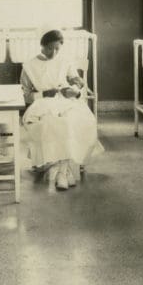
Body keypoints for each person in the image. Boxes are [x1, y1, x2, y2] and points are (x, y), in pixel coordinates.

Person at [20, 29, 103, 191]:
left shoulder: (64, 61)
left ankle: (62, 172)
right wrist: (45, 93)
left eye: (57, 48)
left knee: (74, 120)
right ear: (42, 46)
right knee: (53, 122)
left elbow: (77, 80)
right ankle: (64, 173)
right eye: (50, 48)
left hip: (64, 100)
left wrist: (73, 88)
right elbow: (25, 95)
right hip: (42, 103)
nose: (54, 52)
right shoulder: (29, 66)